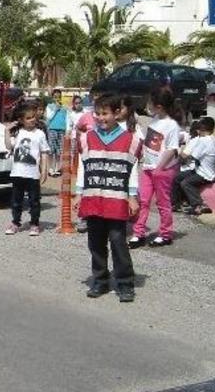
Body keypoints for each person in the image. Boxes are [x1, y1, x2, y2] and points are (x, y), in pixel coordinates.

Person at [74, 93, 142, 302]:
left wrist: (132, 196)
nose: (101, 118)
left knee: (118, 240)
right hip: (93, 196)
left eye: (105, 114)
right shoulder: (87, 138)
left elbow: (132, 170)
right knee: (95, 242)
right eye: (98, 114)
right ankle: (100, 281)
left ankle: (124, 283)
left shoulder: (130, 140)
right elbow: (83, 167)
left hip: (117, 199)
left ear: (117, 114)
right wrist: (78, 193)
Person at [130, 87, 181, 248]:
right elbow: (146, 143)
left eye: (150, 103)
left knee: (162, 202)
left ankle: (165, 233)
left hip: (163, 170)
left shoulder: (172, 125)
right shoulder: (154, 121)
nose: (148, 106)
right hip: (147, 167)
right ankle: (138, 233)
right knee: (143, 200)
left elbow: (172, 149)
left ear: (159, 106)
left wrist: (160, 168)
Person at [4, 102, 50, 236]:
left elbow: (44, 153)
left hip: (33, 174)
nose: (32, 120)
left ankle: (34, 223)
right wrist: (6, 131)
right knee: (16, 200)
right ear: (21, 120)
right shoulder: (18, 132)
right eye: (28, 118)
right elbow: (8, 146)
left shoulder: (40, 134)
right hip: (18, 172)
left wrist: (44, 170)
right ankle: (15, 222)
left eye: (34, 117)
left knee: (34, 201)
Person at [173, 117, 215, 215]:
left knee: (185, 183)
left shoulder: (204, 141)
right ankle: (176, 204)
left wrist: (177, 152)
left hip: (205, 174)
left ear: (200, 129)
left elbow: (186, 156)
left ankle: (199, 204)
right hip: (207, 171)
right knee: (177, 177)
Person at [45, 89, 67, 177]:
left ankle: (57, 168)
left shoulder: (64, 107)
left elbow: (67, 118)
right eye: (55, 97)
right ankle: (51, 168)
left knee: (59, 151)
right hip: (52, 129)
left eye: (59, 97)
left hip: (61, 130)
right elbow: (48, 118)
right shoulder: (49, 106)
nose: (57, 98)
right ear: (52, 97)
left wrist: (67, 129)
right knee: (51, 150)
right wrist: (55, 109)